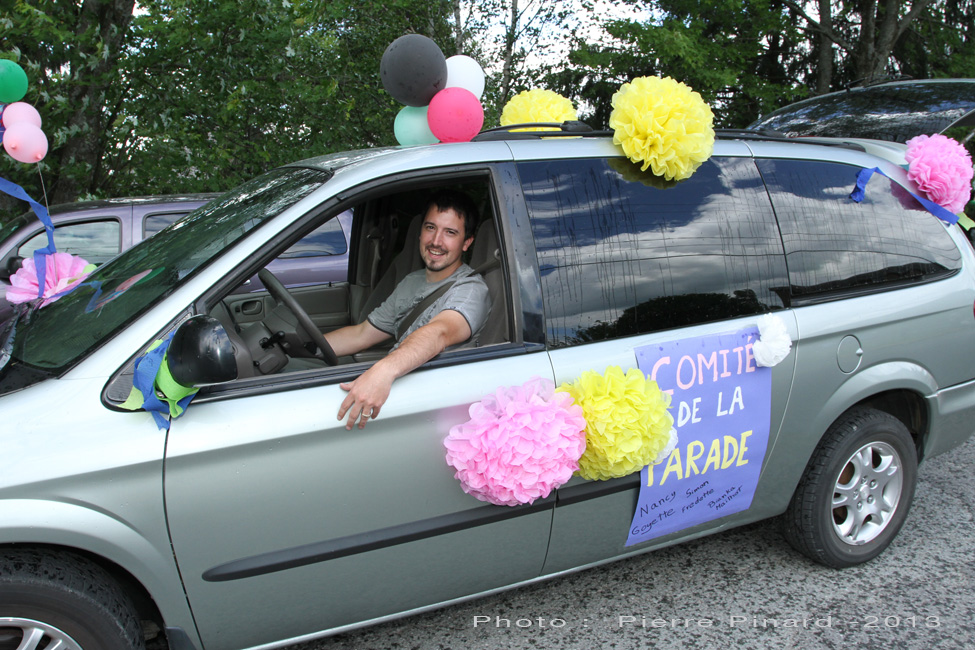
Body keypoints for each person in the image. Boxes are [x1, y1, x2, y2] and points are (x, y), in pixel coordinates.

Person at [325, 190, 489, 430]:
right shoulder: (412, 281)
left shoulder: (471, 290)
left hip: (427, 407)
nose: (436, 241)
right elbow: (362, 334)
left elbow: (439, 333)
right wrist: (311, 349)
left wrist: (383, 370)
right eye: (430, 228)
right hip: (399, 383)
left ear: (466, 242)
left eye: (450, 233)